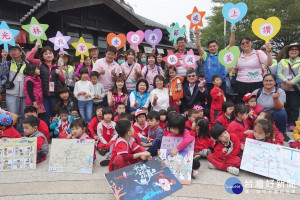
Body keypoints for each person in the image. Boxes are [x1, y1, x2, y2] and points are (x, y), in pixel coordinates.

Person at [26, 41, 65, 125]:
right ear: (42, 56)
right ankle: (46, 132)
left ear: (53, 54)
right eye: (45, 53)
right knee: (45, 114)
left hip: (54, 95)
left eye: (50, 53)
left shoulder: (57, 66)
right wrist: (36, 47)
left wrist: (60, 74)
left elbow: (63, 81)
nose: (48, 55)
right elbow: (28, 58)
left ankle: (53, 132)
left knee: (54, 113)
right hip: (43, 95)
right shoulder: (39, 64)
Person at [195, 28, 236, 106]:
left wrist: (232, 32)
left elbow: (231, 44)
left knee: (222, 102)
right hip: (210, 83)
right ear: (208, 48)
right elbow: (198, 47)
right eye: (210, 47)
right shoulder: (205, 56)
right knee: (211, 101)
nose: (212, 48)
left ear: (217, 47)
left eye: (214, 46)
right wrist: (197, 36)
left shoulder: (222, 54)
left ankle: (223, 117)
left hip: (222, 82)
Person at [232, 36, 273, 102]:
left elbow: (269, 63)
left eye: (247, 42)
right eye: (242, 43)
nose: (245, 44)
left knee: (257, 104)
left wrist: (269, 52)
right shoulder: (237, 55)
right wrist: (229, 69)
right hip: (241, 84)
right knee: (243, 106)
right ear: (240, 45)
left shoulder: (259, 53)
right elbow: (234, 71)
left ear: (251, 43)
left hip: (256, 83)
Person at [0, 44, 29, 134]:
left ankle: (21, 134)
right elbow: (2, 73)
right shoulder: (7, 63)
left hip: (24, 94)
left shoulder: (27, 64)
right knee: (12, 116)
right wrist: (3, 59)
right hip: (11, 94)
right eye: (11, 50)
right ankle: (12, 134)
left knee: (23, 116)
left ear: (21, 52)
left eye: (15, 50)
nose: (13, 52)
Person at [252, 74, 288, 140]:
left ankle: (282, 133)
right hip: (261, 113)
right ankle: (257, 132)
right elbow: (251, 105)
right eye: (266, 81)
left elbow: (279, 107)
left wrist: (276, 99)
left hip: (274, 112)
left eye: (270, 81)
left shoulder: (280, 91)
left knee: (281, 113)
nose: (268, 83)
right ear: (263, 82)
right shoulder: (257, 92)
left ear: (275, 82)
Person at [277, 43, 300, 132]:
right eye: (291, 49)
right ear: (288, 51)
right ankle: (286, 121)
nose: (293, 51)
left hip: (295, 88)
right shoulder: (283, 61)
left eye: (296, 49)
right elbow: (279, 73)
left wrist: (291, 82)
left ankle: (293, 123)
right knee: (285, 105)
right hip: (284, 87)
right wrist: (286, 81)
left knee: (294, 105)